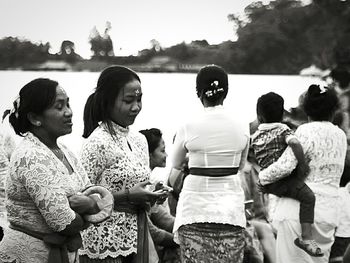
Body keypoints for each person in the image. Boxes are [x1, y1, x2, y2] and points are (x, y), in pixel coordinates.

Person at [0, 78, 103, 262]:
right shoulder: (29, 156)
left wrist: (88, 203)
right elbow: (65, 224)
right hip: (29, 256)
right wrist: (88, 206)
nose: (69, 112)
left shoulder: (65, 151)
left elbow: (95, 194)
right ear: (35, 118)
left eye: (68, 104)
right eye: (59, 106)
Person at [79, 65, 168, 263]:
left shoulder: (139, 140)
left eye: (139, 99)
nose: (136, 106)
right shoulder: (96, 142)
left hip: (136, 235)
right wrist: (127, 196)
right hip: (104, 240)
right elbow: (81, 198)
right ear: (108, 101)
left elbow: (139, 186)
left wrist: (153, 193)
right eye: (128, 100)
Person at [258, 84, 347, 262]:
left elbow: (284, 167)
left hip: (297, 213)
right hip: (328, 214)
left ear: (307, 110)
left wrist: (262, 178)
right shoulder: (341, 136)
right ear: (333, 110)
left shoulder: (305, 131)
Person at [170, 64, 249, 262]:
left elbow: (176, 163)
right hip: (230, 209)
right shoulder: (242, 124)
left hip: (195, 209)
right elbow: (241, 165)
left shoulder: (188, 125)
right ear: (226, 92)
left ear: (199, 93)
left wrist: (193, 159)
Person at [251, 92, 323, 257]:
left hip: (268, 184)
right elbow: (295, 143)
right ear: (283, 114)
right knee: (308, 197)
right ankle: (306, 237)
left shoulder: (254, 136)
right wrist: (303, 165)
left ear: (259, 117)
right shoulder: (283, 129)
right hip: (282, 182)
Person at [139, 128, 180, 263]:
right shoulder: (140, 186)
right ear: (148, 154)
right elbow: (153, 232)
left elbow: (163, 218)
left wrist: (189, 228)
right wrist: (183, 239)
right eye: (162, 151)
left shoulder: (151, 183)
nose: (166, 155)